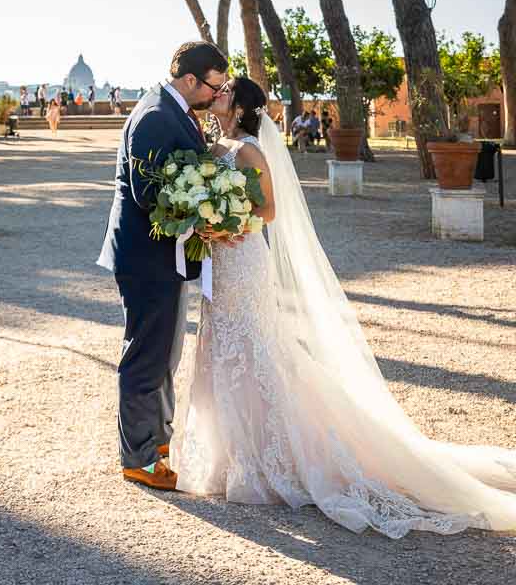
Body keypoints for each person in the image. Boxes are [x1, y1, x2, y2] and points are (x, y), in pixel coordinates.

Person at [171, 77, 516, 537]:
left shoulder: (250, 151)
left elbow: (269, 211)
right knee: (219, 342)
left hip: (244, 256)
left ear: (240, 105)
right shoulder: (216, 145)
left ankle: (269, 455)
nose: (218, 94)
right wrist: (203, 223)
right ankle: (226, 453)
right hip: (220, 259)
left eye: (226, 91)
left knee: (253, 346)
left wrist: (228, 220)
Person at [97, 40, 230, 491]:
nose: (218, 94)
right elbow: (148, 193)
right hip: (147, 258)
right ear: (190, 80)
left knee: (164, 353)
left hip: (163, 257)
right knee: (146, 355)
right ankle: (138, 457)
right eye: (215, 86)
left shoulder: (175, 110)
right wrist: (204, 215)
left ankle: (156, 444)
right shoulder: (155, 116)